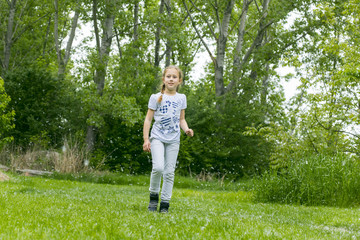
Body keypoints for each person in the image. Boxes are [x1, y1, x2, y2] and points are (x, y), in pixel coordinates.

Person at [143, 65, 194, 213]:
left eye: (174, 77)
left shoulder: (181, 98)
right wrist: (146, 140)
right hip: (157, 137)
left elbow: (181, 119)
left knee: (169, 172)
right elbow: (148, 120)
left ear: (179, 81)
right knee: (158, 167)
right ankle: (153, 197)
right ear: (164, 79)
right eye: (168, 76)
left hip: (173, 139)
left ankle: (165, 204)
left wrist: (187, 129)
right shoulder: (155, 97)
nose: (171, 79)